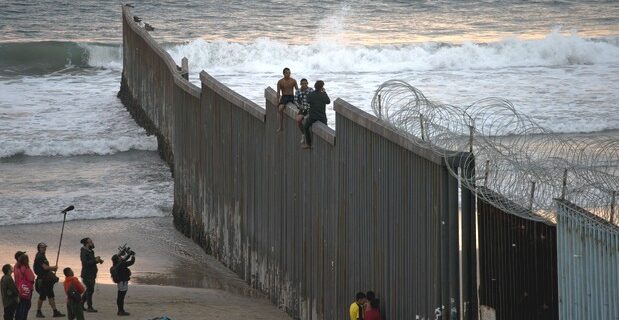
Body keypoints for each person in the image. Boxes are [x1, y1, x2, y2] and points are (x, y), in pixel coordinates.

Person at [33, 242, 64, 318]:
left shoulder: (42, 256)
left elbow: (46, 268)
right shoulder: (39, 257)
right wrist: (53, 268)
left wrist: (51, 271)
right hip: (42, 280)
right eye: (42, 247)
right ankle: (38, 312)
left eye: (45, 247)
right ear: (39, 248)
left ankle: (55, 311)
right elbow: (45, 267)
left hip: (46, 280)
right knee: (42, 296)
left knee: (50, 295)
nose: (44, 249)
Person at [301, 80, 330, 149]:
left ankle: (309, 144)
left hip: (313, 117)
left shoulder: (310, 95)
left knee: (305, 126)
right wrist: (324, 92)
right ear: (322, 87)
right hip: (322, 117)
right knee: (326, 128)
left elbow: (308, 101)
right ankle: (326, 144)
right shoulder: (323, 95)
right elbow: (328, 101)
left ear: (315, 86)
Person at [79, 238, 103, 313]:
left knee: (89, 290)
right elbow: (85, 263)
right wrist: (95, 260)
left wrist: (97, 260)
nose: (92, 243)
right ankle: (89, 307)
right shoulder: (83, 252)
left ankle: (81, 304)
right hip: (87, 275)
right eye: (91, 242)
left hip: (91, 274)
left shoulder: (91, 251)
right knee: (90, 290)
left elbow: (91, 261)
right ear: (86, 244)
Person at [110, 252, 135, 316]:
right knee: (121, 297)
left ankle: (120, 310)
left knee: (120, 297)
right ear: (118, 259)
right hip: (123, 282)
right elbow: (131, 262)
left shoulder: (116, 265)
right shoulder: (121, 264)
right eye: (119, 257)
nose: (121, 257)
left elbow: (124, 259)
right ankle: (121, 311)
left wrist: (128, 255)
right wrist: (133, 256)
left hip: (120, 282)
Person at [276, 67, 298, 132]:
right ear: (283, 74)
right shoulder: (280, 82)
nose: (288, 74)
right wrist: (277, 101)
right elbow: (278, 92)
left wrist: (299, 99)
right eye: (287, 73)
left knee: (298, 107)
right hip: (284, 97)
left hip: (291, 96)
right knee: (280, 109)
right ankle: (281, 126)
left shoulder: (293, 81)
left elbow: (297, 91)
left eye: (289, 73)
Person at [14, 254, 35, 320]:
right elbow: (31, 278)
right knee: (25, 306)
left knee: (19, 306)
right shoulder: (25, 268)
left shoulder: (16, 267)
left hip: (18, 288)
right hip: (26, 289)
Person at [294, 78, 314, 143]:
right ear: (300, 84)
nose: (304, 85)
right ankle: (303, 134)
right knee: (298, 120)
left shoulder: (311, 90)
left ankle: (308, 137)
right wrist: (299, 106)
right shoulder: (298, 91)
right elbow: (295, 100)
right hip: (303, 109)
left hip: (310, 109)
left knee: (307, 121)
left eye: (306, 83)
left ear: (307, 83)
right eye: (303, 84)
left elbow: (315, 99)